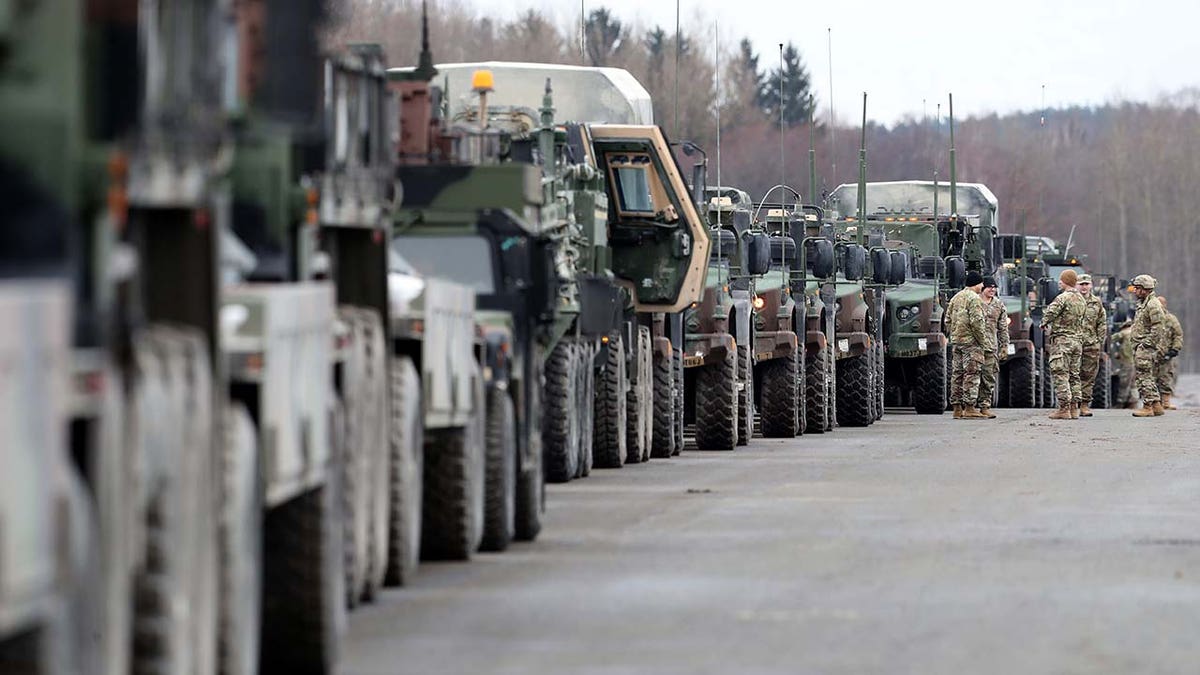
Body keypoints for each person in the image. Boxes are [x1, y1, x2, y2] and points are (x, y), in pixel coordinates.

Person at [1040, 269, 1086, 420]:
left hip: (1062, 341)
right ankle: (1074, 408)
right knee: (1074, 375)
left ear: (1066, 281)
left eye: (1061, 280)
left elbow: (1050, 313)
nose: (1059, 282)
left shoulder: (1062, 298)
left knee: (1060, 373)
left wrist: (1043, 323)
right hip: (1077, 341)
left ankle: (1063, 408)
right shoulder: (1081, 299)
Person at [946, 270, 989, 419]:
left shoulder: (956, 298)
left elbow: (947, 320)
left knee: (957, 374)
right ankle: (970, 407)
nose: (983, 286)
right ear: (976, 283)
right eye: (981, 283)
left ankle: (957, 408)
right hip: (971, 342)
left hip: (957, 341)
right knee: (972, 373)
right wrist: (982, 340)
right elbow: (977, 322)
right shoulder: (974, 299)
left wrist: (954, 335)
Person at [1128, 274, 1168, 417]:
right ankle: (1156, 405)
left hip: (1145, 347)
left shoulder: (1153, 304)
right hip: (1140, 345)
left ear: (1145, 289)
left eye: (1137, 288)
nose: (1134, 291)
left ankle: (1148, 406)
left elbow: (1159, 328)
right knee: (1145, 375)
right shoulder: (1144, 303)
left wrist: (1146, 345)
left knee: (1144, 376)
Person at [975, 276, 1008, 418]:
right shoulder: (974, 302)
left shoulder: (999, 305)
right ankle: (968, 405)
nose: (992, 290)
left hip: (990, 347)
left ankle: (984, 406)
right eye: (990, 287)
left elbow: (1003, 327)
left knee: (988, 377)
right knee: (971, 376)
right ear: (982, 288)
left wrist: (1004, 345)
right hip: (974, 346)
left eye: (994, 288)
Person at [1076, 274, 1108, 417]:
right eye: (1081, 284)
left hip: (1090, 345)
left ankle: (1084, 405)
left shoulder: (1096, 303)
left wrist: (1099, 341)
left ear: (1091, 286)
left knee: (1088, 376)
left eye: (1086, 284)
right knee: (1071, 374)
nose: (1084, 287)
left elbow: (1102, 323)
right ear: (1076, 285)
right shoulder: (1070, 300)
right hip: (1073, 344)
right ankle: (1069, 404)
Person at [1156, 295, 1184, 410]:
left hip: (1166, 354)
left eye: (1161, 304)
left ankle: (1166, 402)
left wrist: (1174, 349)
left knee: (1166, 377)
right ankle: (1153, 402)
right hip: (1152, 353)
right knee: (1150, 378)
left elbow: (1178, 335)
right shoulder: (1151, 318)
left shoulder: (1171, 319)